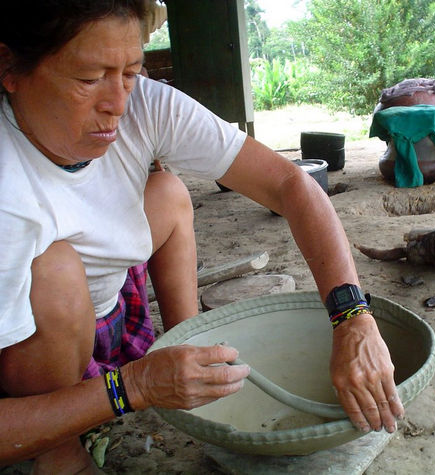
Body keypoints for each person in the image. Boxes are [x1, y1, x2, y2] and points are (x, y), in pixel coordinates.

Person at [0, 1, 404, 473]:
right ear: (9, 67)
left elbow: (290, 184)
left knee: (166, 192)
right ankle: (58, 453)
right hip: (31, 345)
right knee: (56, 269)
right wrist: (135, 387)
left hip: (108, 304)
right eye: (89, 79)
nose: (118, 103)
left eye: (130, 72)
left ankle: (187, 342)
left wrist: (353, 315)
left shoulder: (145, 105)